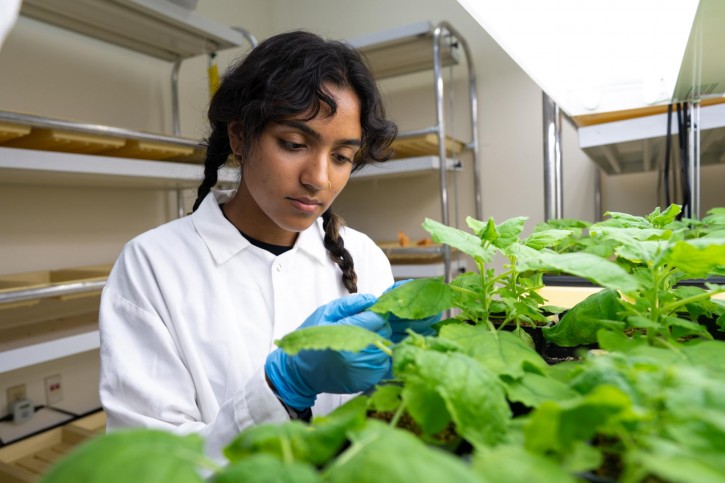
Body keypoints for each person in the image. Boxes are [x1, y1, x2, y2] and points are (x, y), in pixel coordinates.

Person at [98, 30, 439, 462]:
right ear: (240, 136)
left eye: (341, 157)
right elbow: (147, 465)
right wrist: (281, 389)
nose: (319, 178)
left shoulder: (366, 258)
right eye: (294, 144)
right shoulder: (153, 266)